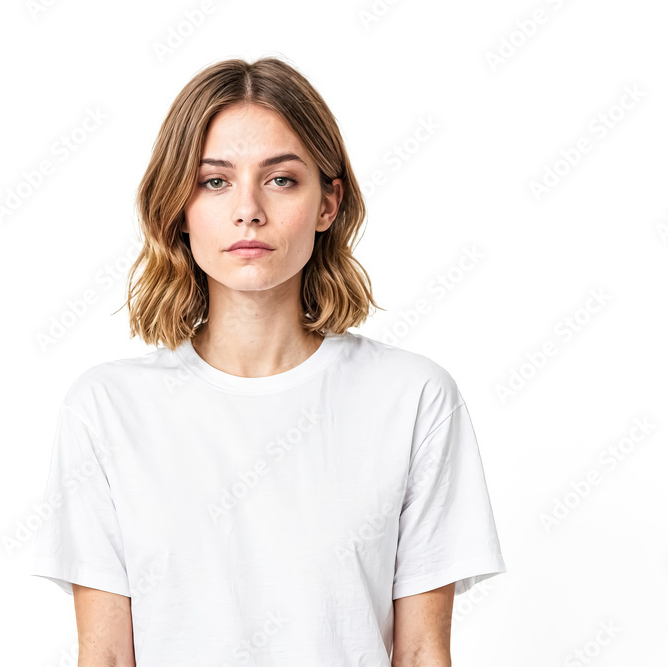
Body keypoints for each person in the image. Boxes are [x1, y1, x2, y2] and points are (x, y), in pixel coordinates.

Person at [30, 55, 506, 667]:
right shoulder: (108, 407)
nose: (248, 208)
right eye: (214, 181)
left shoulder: (413, 397)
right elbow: (106, 658)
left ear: (328, 204)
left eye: (281, 179)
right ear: (179, 207)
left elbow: (419, 653)